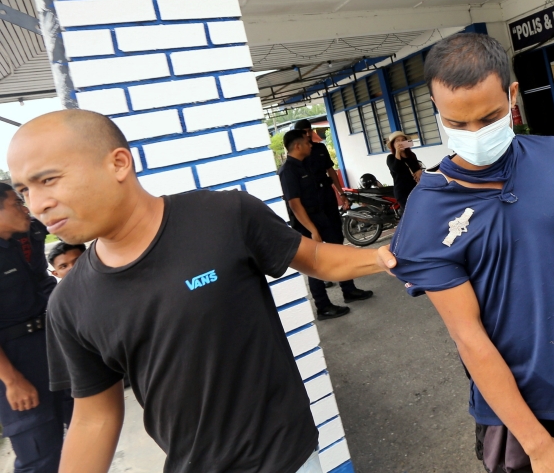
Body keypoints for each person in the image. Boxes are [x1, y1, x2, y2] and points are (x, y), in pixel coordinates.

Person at [8, 109, 396, 473]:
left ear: (118, 163)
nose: (37, 205)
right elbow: (95, 418)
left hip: (287, 459)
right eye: (24, 190)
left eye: (49, 179)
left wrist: (385, 257)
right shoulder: (69, 302)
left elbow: (316, 258)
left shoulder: (224, 215)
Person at [386, 33, 554, 473]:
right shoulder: (427, 213)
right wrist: (538, 445)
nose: (474, 134)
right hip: (517, 419)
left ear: (512, 97)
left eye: (489, 117)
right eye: (457, 123)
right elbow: (469, 339)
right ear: (439, 114)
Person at [0, 184, 73, 473]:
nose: (25, 209)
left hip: (52, 343)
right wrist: (12, 381)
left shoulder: (30, 233)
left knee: (86, 429)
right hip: (14, 359)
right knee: (39, 452)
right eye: (15, 204)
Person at [292, 119, 373, 305]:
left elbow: (331, 171)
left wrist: (341, 193)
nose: (307, 135)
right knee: (314, 254)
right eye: (303, 132)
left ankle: (349, 290)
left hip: (327, 201)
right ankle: (323, 302)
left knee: (338, 245)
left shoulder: (319, 149)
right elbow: (294, 200)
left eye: (308, 131)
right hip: (311, 208)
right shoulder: (297, 158)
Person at [279, 129, 351, 320]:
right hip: (306, 223)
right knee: (314, 263)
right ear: (297, 146)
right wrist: (312, 230)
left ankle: (349, 290)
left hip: (320, 216)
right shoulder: (288, 171)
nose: (311, 145)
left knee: (337, 250)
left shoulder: (305, 165)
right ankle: (323, 307)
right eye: (307, 142)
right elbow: (295, 204)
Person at [385, 131, 422, 210]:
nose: (401, 142)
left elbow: (417, 168)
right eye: (397, 141)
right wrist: (398, 152)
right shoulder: (390, 158)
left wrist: (419, 171)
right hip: (402, 192)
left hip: (416, 188)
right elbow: (396, 169)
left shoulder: (411, 155)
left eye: (403, 140)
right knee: (411, 212)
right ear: (393, 144)